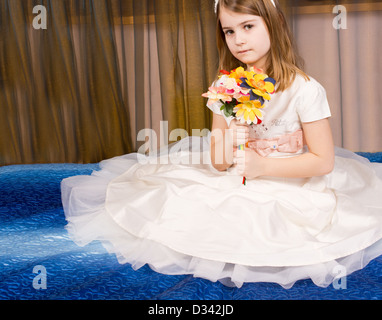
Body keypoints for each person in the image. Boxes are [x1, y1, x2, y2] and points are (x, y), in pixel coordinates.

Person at [61, 0, 382, 289]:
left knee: (272, 223)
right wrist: (235, 123)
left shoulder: (305, 89)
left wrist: (264, 166)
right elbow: (217, 161)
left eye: (248, 27)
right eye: (229, 31)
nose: (238, 39)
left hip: (292, 177)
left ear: (274, 25)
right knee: (192, 207)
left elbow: (323, 161)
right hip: (236, 172)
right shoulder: (224, 86)